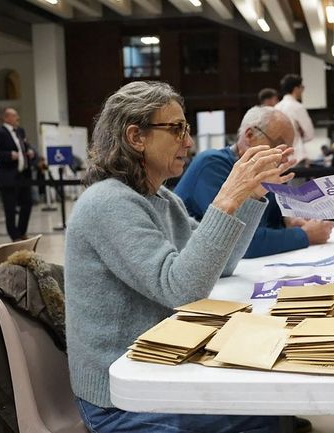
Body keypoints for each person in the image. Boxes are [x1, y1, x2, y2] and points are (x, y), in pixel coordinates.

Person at [65, 81, 294, 433]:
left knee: (270, 414)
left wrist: (250, 195)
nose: (188, 142)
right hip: (119, 400)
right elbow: (180, 288)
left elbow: (225, 263)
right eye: (175, 129)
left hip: (159, 371)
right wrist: (226, 199)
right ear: (136, 137)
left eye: (186, 129)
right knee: (262, 420)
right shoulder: (107, 203)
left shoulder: (163, 200)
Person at [174, 106, 334, 258]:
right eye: (278, 146)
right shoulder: (212, 166)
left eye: (287, 151)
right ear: (249, 135)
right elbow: (242, 243)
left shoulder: (262, 172)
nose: (282, 157)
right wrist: (305, 235)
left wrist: (289, 222)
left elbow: (269, 221)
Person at [0, 107, 36, 241]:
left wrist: (30, 152)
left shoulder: (20, 131)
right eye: (15, 116)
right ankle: (14, 236)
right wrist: (8, 155)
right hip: (8, 175)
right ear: (6, 118)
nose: (17, 118)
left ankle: (21, 232)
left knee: (27, 203)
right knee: (10, 207)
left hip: (23, 174)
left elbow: (25, 147)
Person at [275, 74, 314, 163]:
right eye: (302, 87)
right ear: (296, 88)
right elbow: (310, 134)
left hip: (280, 157)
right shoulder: (297, 107)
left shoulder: (276, 107)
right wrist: (298, 138)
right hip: (297, 155)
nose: (302, 90)